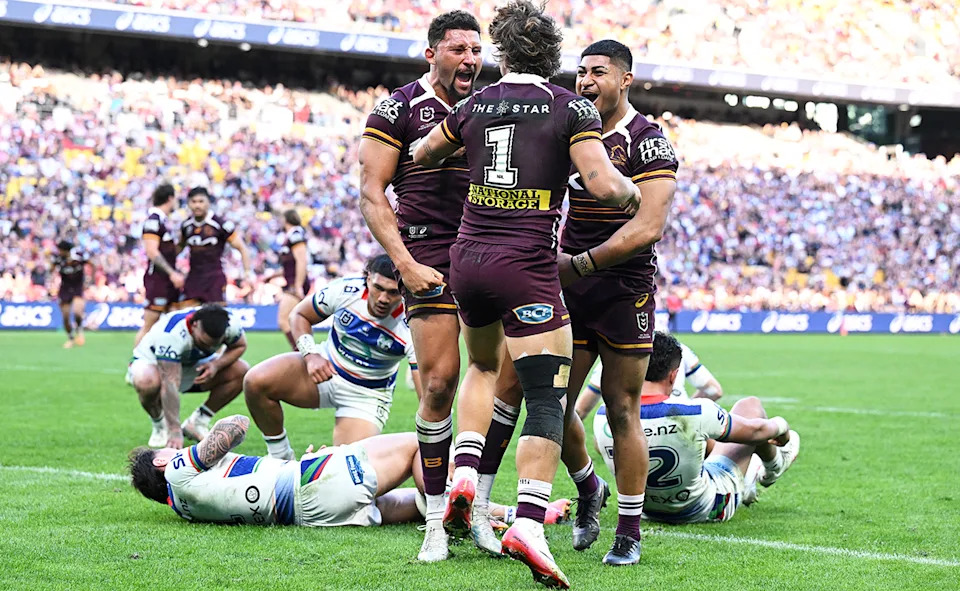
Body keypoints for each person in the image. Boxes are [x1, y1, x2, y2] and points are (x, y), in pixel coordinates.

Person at [413, 3, 640, 587]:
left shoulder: (474, 103)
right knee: (545, 393)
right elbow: (602, 185)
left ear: (502, 52)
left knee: (483, 367)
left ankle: (467, 474)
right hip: (527, 266)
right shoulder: (570, 107)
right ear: (554, 56)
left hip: (467, 259)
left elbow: (422, 154)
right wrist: (630, 195)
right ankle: (530, 523)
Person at [357, 10, 482, 563]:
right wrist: (403, 263)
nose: (470, 59)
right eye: (458, 49)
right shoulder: (398, 108)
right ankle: (434, 522)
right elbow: (372, 192)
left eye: (475, 50)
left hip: (487, 248)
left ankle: (477, 506)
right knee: (438, 383)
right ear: (432, 53)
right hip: (427, 252)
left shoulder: (491, 105)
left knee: (500, 383)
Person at [129, 414, 570, 528]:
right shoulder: (178, 469)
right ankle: (459, 516)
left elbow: (244, 482)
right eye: (166, 451)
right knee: (423, 443)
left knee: (413, 504)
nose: (173, 449)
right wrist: (203, 438)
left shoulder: (182, 507)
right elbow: (236, 427)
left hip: (314, 514)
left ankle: (521, 515)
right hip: (314, 484)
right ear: (162, 463)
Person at [593, 332, 800, 524]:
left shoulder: (604, 414)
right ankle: (774, 466)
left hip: (643, 510)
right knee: (749, 406)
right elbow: (756, 432)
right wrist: (782, 426)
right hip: (705, 507)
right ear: (673, 376)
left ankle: (757, 473)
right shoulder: (695, 411)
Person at [243, 255, 421, 455]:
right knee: (255, 381)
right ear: (368, 279)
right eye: (378, 288)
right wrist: (311, 355)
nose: (383, 298)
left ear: (404, 290)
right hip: (327, 366)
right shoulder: (345, 290)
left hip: (367, 395)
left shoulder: (413, 321)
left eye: (393, 292)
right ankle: (280, 456)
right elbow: (299, 315)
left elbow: (426, 395)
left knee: (347, 465)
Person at [127, 304, 250, 449]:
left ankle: (198, 422)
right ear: (195, 325)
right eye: (203, 343)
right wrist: (175, 430)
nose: (207, 348)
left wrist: (216, 365)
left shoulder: (230, 324)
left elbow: (240, 346)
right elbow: (170, 382)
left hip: (191, 363)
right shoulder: (172, 334)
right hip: (152, 362)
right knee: (146, 381)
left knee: (242, 370)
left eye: (214, 345)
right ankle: (160, 425)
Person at [575, 339, 724, 419]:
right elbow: (715, 391)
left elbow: (581, 409)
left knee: (605, 435)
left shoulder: (615, 355)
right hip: (679, 422)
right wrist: (686, 409)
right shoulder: (680, 350)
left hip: (632, 424)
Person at [178, 187, 254, 307]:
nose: (197, 205)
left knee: (216, 315)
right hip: (193, 279)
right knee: (190, 315)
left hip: (214, 279)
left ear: (208, 202)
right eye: (194, 202)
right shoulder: (186, 226)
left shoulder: (220, 224)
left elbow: (242, 248)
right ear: (188, 203)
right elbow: (179, 248)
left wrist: (247, 273)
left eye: (201, 201)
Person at [136, 183, 185, 346]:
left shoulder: (164, 222)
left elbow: (169, 252)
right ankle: (137, 360)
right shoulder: (153, 221)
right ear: (170, 198)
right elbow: (152, 251)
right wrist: (172, 273)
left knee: (176, 322)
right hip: (158, 279)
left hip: (168, 282)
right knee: (149, 324)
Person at [275, 209, 311, 350]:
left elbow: (302, 261)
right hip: (292, 282)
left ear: (286, 219)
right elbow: (290, 266)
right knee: (295, 320)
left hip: (295, 283)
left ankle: (302, 351)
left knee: (283, 320)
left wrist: (298, 286)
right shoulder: (290, 236)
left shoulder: (295, 234)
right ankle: (305, 349)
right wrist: (272, 276)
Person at [51, 239, 91, 348]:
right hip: (64, 289)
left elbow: (92, 264)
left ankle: (79, 330)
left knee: (77, 311)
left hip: (78, 288)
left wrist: (90, 280)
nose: (59, 252)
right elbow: (51, 269)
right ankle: (70, 338)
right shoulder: (58, 259)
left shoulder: (79, 256)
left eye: (60, 250)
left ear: (65, 250)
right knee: (65, 317)